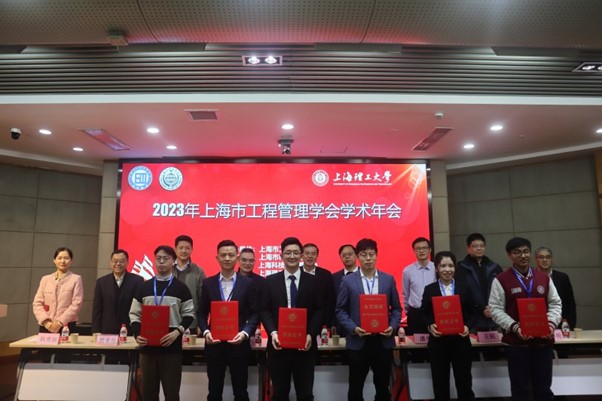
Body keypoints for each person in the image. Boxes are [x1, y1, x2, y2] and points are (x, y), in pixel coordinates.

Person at [489, 237, 562, 401]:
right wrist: (515, 327)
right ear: (510, 255)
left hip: (543, 342)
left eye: (526, 251)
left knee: (543, 389)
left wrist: (551, 324)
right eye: (517, 252)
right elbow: (495, 309)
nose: (523, 256)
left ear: (530, 253)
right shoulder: (501, 280)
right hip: (516, 344)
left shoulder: (544, 278)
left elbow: (555, 303)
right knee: (520, 390)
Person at [335, 238, 402, 401]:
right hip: (358, 341)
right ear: (358, 257)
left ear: (377, 255)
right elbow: (340, 310)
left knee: (383, 388)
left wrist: (392, 326)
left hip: (383, 341)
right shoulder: (348, 281)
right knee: (355, 388)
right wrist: (353, 328)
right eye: (364, 255)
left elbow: (397, 309)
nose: (368, 258)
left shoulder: (388, 279)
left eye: (371, 254)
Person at [260, 237, 323, 401]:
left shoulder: (314, 281)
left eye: (296, 252)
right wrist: (273, 333)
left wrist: (310, 334)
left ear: (301, 255)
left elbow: (319, 310)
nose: (292, 256)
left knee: (306, 394)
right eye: (288, 253)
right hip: (279, 346)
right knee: (279, 394)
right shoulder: (270, 281)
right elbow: (264, 310)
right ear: (281, 256)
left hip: (305, 347)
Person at [129, 245, 195, 401]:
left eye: (166, 258)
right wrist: (137, 334)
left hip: (171, 348)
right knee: (148, 394)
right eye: (158, 258)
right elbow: (134, 314)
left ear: (173, 261)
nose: (161, 262)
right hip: (147, 348)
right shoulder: (144, 287)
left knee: (172, 393)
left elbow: (189, 314)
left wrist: (177, 332)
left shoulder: (181, 288)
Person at [198, 240, 258, 401]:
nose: (227, 258)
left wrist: (245, 333)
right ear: (217, 258)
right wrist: (206, 332)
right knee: (214, 392)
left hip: (238, 345)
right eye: (223, 255)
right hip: (214, 345)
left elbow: (254, 313)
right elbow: (201, 313)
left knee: (241, 392)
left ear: (236, 258)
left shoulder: (248, 283)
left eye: (231, 255)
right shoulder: (208, 283)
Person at [421, 251, 477, 401]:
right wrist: (430, 326)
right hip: (438, 344)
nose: (447, 269)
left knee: (464, 384)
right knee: (440, 385)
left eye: (451, 266)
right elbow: (423, 313)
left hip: (461, 342)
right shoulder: (430, 289)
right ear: (437, 268)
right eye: (443, 266)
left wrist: (467, 326)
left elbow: (474, 312)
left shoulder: (465, 287)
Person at [456, 233, 503, 332]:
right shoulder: (460, 268)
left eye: (482, 246)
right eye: (475, 246)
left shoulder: (495, 267)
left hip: (494, 318)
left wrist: (492, 308)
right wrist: (481, 308)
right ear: (468, 248)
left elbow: (501, 291)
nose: (479, 248)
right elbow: (461, 293)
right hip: (471, 320)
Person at [92, 249, 144, 334]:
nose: (118, 264)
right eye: (115, 261)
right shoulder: (101, 282)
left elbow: (140, 309)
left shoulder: (137, 281)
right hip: (107, 331)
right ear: (110, 263)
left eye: (122, 261)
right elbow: (97, 310)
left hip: (130, 330)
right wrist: (96, 331)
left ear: (127, 262)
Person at [33, 247, 84, 333]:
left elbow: (76, 304)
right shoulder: (45, 279)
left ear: (71, 261)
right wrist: (46, 322)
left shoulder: (76, 279)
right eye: (59, 258)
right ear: (54, 260)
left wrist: (60, 322)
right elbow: (37, 303)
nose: (63, 261)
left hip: (66, 326)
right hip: (46, 325)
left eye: (66, 258)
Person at [535, 246, 577, 329]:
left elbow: (570, 302)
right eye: (541, 257)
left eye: (548, 257)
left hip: (561, 323)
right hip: (537, 322)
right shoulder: (531, 277)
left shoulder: (562, 277)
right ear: (536, 260)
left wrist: (570, 324)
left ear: (552, 259)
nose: (545, 260)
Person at [173, 234, 207, 335]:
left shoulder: (199, 271)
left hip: (191, 324)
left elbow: (203, 301)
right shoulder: (167, 269)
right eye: (181, 248)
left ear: (191, 249)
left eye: (187, 248)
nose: (184, 251)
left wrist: (202, 324)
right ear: (175, 249)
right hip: (170, 322)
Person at [402, 237, 436, 335]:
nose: (421, 251)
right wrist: (408, 311)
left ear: (430, 250)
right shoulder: (407, 271)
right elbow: (405, 293)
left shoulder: (436, 268)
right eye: (418, 248)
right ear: (414, 251)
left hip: (433, 312)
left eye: (424, 248)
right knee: (416, 341)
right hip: (415, 313)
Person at [302, 243, 335, 327]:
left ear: (317, 256)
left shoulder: (326, 275)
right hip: (300, 319)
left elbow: (329, 301)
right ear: (302, 255)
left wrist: (326, 324)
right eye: (307, 253)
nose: (310, 256)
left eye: (313, 254)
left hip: (320, 321)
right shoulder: (295, 273)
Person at [332, 244, 359, 336]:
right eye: (344, 255)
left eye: (350, 254)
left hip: (360, 323)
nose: (347, 257)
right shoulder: (334, 277)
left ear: (356, 255)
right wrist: (332, 323)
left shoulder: (364, 274)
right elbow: (332, 302)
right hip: (341, 325)